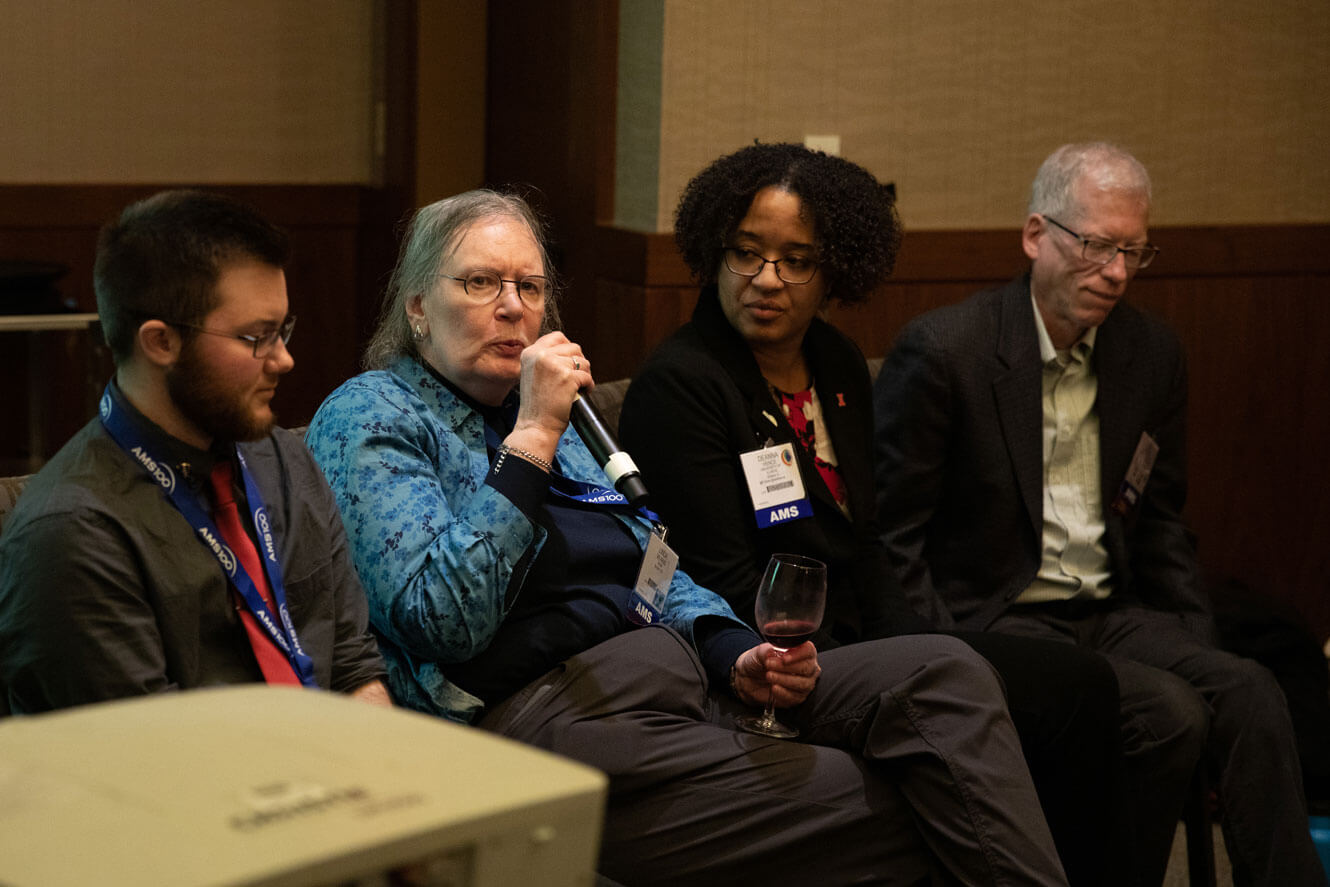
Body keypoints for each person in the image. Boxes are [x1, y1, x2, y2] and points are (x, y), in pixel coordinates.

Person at [304, 189, 1071, 887]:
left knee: (944, 673)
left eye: (530, 287)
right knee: (884, 797)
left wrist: (733, 650)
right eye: (480, 283)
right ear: (414, 308)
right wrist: (533, 435)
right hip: (535, 721)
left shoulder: (560, 419)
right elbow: (443, 617)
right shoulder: (376, 415)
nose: (512, 307)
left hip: (678, 683)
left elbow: (655, 559)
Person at [618, 142, 1137, 887]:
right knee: (1059, 688)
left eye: (796, 260)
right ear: (715, 251)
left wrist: (920, 642)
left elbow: (870, 540)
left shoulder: (833, 363)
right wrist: (886, 662)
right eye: (745, 253)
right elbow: (722, 575)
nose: (767, 279)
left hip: (868, 634)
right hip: (779, 659)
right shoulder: (684, 383)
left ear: (835, 271)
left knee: (1081, 683)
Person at [872, 142, 1324, 887]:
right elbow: (895, 538)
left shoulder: (1149, 352)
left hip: (1111, 608)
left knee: (1248, 687)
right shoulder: (949, 349)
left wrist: (1192, 636)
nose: (1115, 273)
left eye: (1134, 252)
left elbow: (1163, 521)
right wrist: (940, 660)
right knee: (1169, 713)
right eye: (1096, 247)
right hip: (999, 609)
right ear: (1035, 236)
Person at [0, 190, 388, 712]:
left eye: (283, 330)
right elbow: (142, 763)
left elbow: (352, 665)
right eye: (258, 337)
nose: (285, 359)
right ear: (161, 343)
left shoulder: (281, 458)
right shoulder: (70, 533)